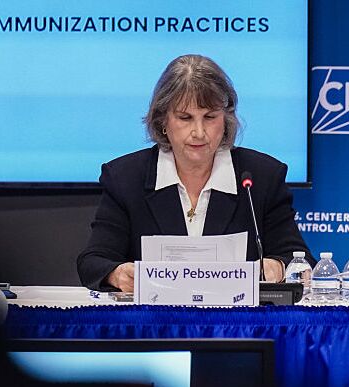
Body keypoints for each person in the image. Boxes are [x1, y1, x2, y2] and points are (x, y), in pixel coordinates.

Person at [77, 54, 310, 292]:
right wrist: (117, 274)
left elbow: (299, 260)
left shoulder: (261, 177)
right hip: (155, 315)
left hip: (236, 315)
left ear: (226, 119)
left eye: (209, 117)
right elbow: (93, 262)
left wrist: (278, 267)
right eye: (185, 118)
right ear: (163, 121)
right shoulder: (126, 178)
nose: (199, 132)